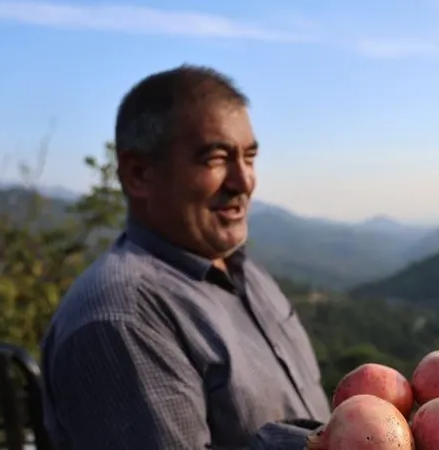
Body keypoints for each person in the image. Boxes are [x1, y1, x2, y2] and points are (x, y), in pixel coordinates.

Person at [40, 65, 331, 449]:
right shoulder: (123, 320)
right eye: (215, 159)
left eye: (249, 157)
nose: (244, 182)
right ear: (139, 173)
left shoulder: (241, 268)